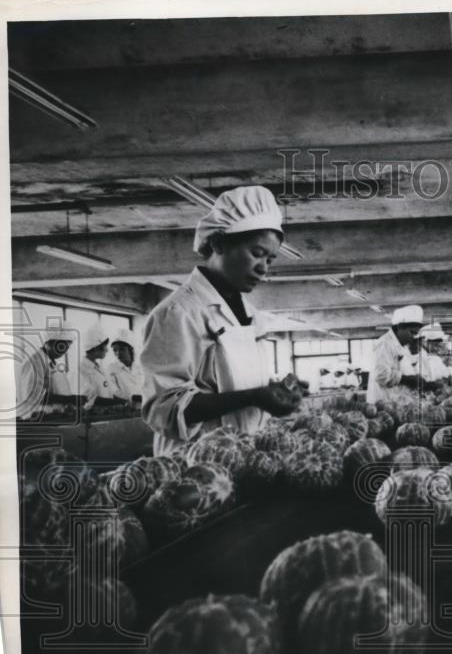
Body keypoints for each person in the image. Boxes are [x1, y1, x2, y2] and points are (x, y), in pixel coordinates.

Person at [141, 186, 303, 456]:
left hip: (242, 458)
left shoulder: (252, 315)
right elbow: (163, 409)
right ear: (218, 244)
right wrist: (253, 397)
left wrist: (276, 390)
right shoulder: (179, 312)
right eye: (256, 253)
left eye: (270, 259)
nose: (263, 268)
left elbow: (231, 382)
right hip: (194, 468)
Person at [367, 305, 438, 404]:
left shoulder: (403, 346)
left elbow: (404, 369)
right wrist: (406, 379)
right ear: (400, 327)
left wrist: (416, 379)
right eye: (412, 332)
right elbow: (381, 375)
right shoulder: (384, 344)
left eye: (416, 334)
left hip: (397, 400)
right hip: (383, 401)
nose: (413, 337)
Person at [15, 324, 77, 418]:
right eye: (62, 346)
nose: (64, 351)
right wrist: (70, 399)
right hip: (34, 419)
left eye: (67, 347)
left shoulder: (50, 363)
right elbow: (33, 397)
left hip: (50, 418)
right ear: (48, 343)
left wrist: (69, 402)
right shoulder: (35, 363)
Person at [79, 323, 121, 410]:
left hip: (105, 414)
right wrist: (116, 403)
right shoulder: (81, 370)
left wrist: (125, 401)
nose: (107, 350)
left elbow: (110, 391)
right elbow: (88, 399)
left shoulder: (100, 368)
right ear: (95, 348)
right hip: (91, 417)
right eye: (104, 346)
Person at [107, 328, 145, 404]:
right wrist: (132, 399)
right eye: (115, 350)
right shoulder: (111, 369)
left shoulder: (141, 367)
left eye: (122, 349)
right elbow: (114, 391)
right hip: (126, 409)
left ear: (131, 350)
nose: (118, 353)